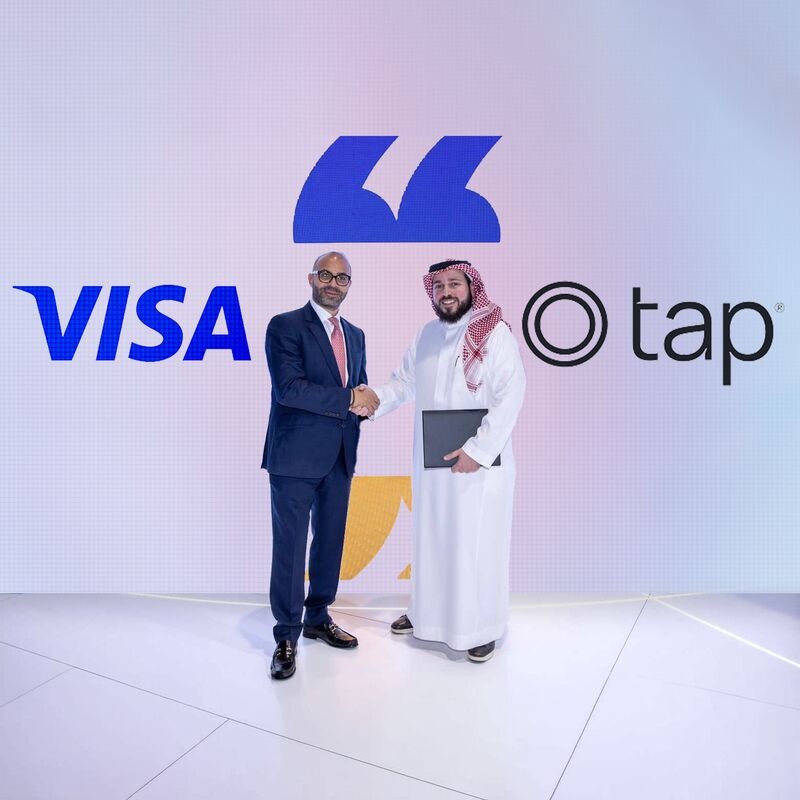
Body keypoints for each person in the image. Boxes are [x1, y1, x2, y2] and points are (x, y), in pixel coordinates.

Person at [366, 260, 525, 662]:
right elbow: (404, 382)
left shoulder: (495, 334)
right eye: (438, 286)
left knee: (476, 546)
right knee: (432, 540)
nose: (446, 292)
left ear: (471, 288)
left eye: (454, 283)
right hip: (433, 466)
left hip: (479, 470)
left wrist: (478, 450)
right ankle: (428, 616)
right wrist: (374, 399)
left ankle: (481, 628)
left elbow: (511, 395)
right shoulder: (427, 336)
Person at [262, 252, 379, 680]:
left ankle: (317, 616)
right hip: (294, 457)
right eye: (326, 275)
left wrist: (366, 400)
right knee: (291, 548)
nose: (333, 283)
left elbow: (357, 385)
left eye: (342, 278)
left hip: (340, 454)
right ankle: (286, 635)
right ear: (312, 278)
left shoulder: (355, 334)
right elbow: (289, 389)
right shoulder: (285, 326)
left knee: (330, 541)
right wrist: (350, 399)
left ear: (349, 284)